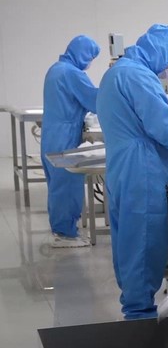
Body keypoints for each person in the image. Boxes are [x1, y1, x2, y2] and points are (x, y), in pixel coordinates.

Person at [97, 24, 168, 320]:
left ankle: (134, 302)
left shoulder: (117, 72)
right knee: (143, 240)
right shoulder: (138, 76)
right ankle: (140, 315)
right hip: (142, 169)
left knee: (128, 240)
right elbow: (163, 127)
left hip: (123, 167)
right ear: (162, 52)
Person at [41, 35, 101, 248]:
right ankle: (65, 234)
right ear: (83, 54)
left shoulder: (56, 69)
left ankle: (60, 228)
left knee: (57, 184)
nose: (90, 62)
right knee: (67, 184)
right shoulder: (72, 73)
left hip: (52, 133)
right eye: (91, 57)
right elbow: (95, 100)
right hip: (65, 135)